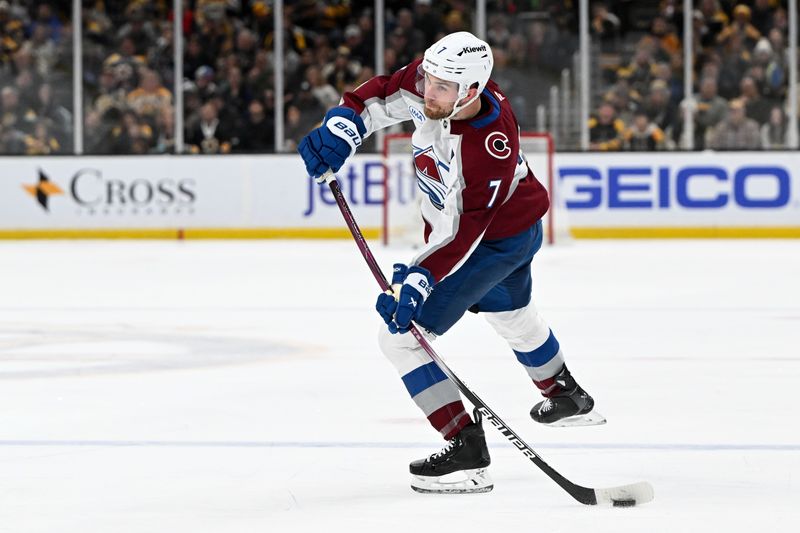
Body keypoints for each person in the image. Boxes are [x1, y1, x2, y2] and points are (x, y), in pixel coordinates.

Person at [297, 32, 603, 495]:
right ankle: (566, 395)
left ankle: (464, 448)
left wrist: (419, 278)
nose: (426, 92)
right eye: (428, 79)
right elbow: (380, 95)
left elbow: (464, 233)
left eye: (440, 87)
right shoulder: (439, 86)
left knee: (400, 340)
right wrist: (343, 129)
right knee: (514, 315)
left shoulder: (489, 145)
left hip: (488, 244)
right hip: (515, 232)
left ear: (472, 92)